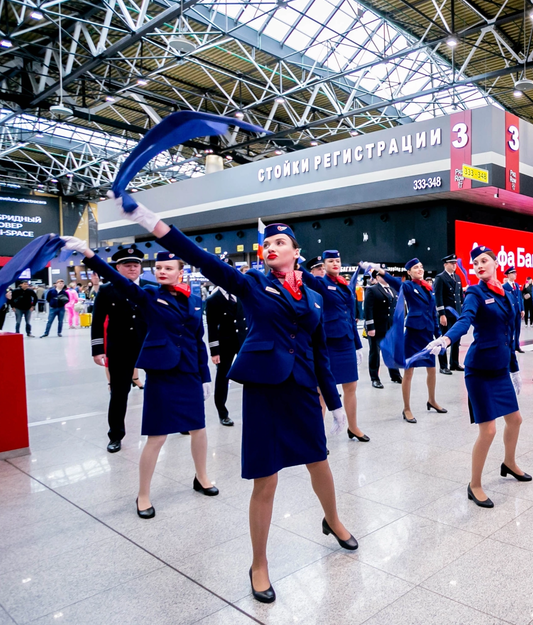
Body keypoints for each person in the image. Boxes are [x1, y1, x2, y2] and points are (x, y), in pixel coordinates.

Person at [112, 200, 357, 602]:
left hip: (300, 389)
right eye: (267, 243)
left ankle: (333, 519)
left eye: (281, 242)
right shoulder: (251, 284)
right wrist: (149, 221)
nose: (272, 247)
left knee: (320, 463)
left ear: (297, 251)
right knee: (266, 478)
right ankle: (258, 564)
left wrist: (333, 403)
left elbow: (320, 352)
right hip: (263, 391)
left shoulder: (315, 295)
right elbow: (201, 258)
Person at [73, 240, 216, 519]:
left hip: (189, 373)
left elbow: (198, 340)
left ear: (180, 271)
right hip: (163, 374)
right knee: (157, 437)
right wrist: (89, 255)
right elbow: (118, 280)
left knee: (199, 429)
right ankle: (143, 494)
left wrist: (205, 375)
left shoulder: (194, 300)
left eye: (168, 268)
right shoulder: (149, 296)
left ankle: (202, 477)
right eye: (158, 267)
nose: (161, 271)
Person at [426, 245, 526, 508]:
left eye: (484, 261)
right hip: (480, 370)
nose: (479, 265)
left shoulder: (506, 293)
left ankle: (509, 462)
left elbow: (509, 334)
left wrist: (514, 368)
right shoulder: (475, 292)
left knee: (515, 420)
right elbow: (465, 320)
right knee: (489, 430)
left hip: (500, 367)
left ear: (495, 262)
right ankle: (475, 484)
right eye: (475, 263)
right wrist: (446, 339)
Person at [89, 247, 148, 452]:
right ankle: (115, 435)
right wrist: (98, 349)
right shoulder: (107, 289)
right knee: (119, 393)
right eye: (127, 265)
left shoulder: (151, 288)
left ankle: (176, 423)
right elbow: (97, 321)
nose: (132, 268)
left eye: (136, 265)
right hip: (120, 348)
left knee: (163, 386)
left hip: (148, 346)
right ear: (117, 267)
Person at [305, 251, 370, 442]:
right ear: (324, 265)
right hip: (328, 343)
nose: (335, 264)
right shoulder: (320, 283)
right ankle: (317, 437)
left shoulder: (344, 285)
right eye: (331, 261)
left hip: (347, 342)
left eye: (338, 261)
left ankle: (353, 427)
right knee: (322, 391)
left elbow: (350, 317)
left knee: (351, 387)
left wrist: (358, 345)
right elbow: (303, 273)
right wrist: (294, 257)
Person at [386, 258, 445, 423]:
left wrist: (438, 334)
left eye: (421, 266)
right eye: (415, 268)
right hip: (413, 333)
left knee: (432, 368)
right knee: (409, 371)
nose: (420, 269)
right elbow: (395, 283)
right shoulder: (408, 286)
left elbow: (433, 312)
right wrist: (382, 272)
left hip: (427, 333)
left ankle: (432, 400)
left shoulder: (428, 288)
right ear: (409, 272)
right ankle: (406, 408)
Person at [205, 272, 248, 426]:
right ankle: (222, 412)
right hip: (224, 344)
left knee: (250, 375)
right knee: (223, 377)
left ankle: (253, 408)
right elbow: (211, 327)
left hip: (243, 341)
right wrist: (214, 351)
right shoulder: (213, 299)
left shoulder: (240, 294)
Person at [364, 266, 402, 388]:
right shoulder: (372, 290)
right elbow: (368, 309)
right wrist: (370, 327)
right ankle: (375, 378)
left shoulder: (393, 290)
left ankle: (395, 375)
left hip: (390, 327)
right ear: (377, 277)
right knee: (375, 353)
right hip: (377, 326)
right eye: (383, 275)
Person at [434, 254, 464, 374]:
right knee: (444, 340)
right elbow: (438, 297)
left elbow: (460, 297)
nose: (454, 265)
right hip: (446, 314)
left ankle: (454, 363)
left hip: (457, 314)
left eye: (455, 263)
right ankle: (443, 366)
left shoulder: (457, 278)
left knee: (456, 339)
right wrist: (441, 314)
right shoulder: (440, 278)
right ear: (445, 264)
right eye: (451, 263)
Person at [503, 266, 524, 352]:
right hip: (511, 311)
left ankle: (517, 345)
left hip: (518, 311)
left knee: (518, 329)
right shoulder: (505, 286)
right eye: (513, 273)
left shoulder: (516, 285)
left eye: (515, 273)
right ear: (508, 275)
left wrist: (522, 309)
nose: (515, 274)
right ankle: (510, 345)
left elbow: (520, 298)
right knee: (511, 329)